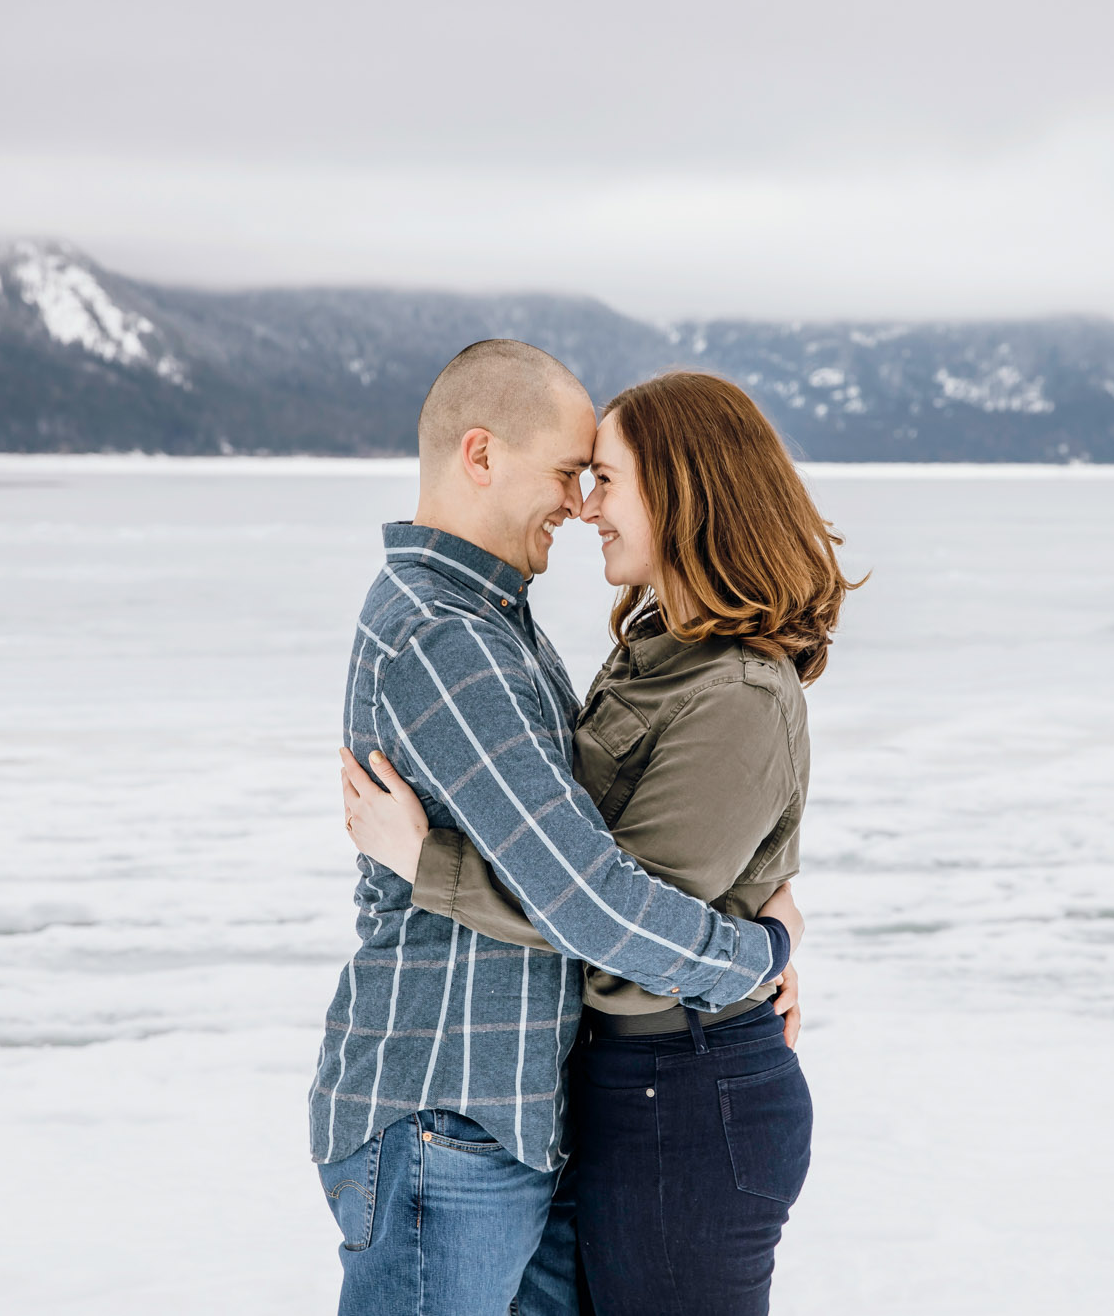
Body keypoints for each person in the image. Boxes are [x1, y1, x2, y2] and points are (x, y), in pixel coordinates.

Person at [340, 369, 860, 1314]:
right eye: (578, 474)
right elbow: (598, 891)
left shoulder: (728, 684)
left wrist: (758, 953)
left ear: (682, 491)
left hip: (681, 1095)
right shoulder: (620, 642)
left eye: (605, 479)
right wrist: (754, 947)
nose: (585, 508)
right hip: (568, 1090)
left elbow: (606, 910)